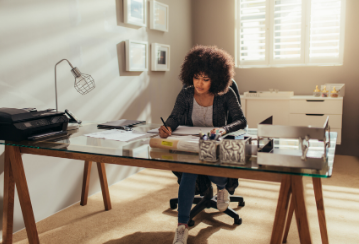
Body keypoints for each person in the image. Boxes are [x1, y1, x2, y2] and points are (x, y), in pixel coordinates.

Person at [158, 45, 247, 244]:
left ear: (216, 78)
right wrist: (167, 128)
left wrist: (224, 129)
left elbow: (241, 120)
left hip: (215, 144)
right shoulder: (186, 94)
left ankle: (222, 188)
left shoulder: (226, 94)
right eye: (196, 77)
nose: (199, 83)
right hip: (193, 144)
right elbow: (174, 116)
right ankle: (182, 227)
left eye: (205, 79)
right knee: (190, 170)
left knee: (211, 168)